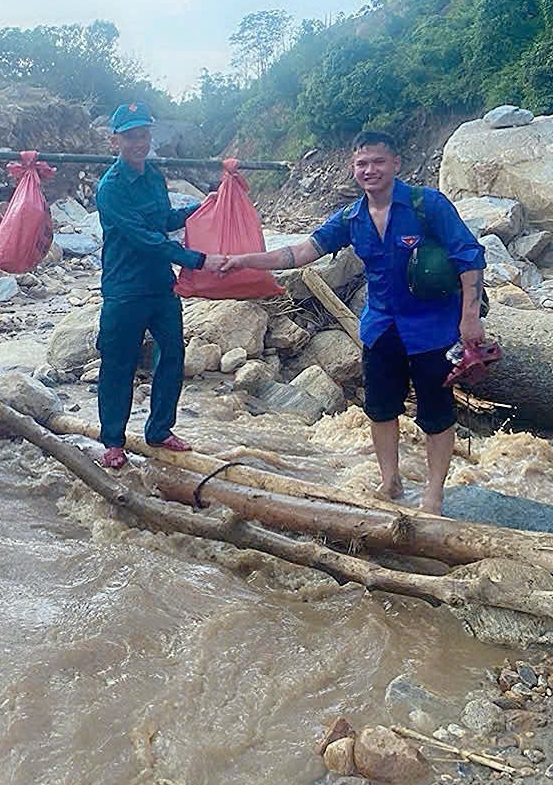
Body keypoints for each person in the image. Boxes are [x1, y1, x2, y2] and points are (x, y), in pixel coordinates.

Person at [225, 128, 486, 513]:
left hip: (433, 329)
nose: (370, 170)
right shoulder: (351, 217)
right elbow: (300, 252)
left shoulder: (426, 205)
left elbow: (470, 257)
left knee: (436, 411)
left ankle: (433, 493)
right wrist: (246, 260)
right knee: (380, 409)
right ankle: (390, 482)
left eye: (378, 161)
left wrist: (469, 319)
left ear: (396, 164)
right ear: (353, 168)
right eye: (362, 163)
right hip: (381, 329)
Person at [95, 101, 231, 470]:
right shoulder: (110, 189)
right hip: (124, 288)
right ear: (115, 142)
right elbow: (142, 237)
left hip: (160, 285)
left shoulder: (154, 177)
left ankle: (159, 430)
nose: (139, 142)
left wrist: (203, 208)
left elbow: (164, 220)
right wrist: (198, 260)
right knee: (118, 365)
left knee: (172, 356)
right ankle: (112, 441)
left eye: (143, 135)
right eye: (130, 136)